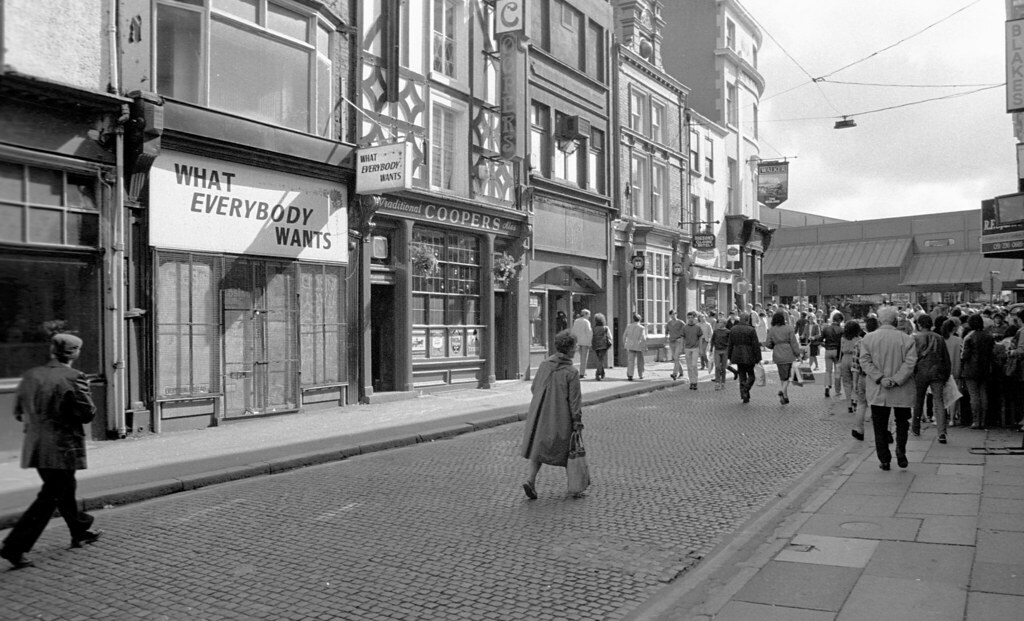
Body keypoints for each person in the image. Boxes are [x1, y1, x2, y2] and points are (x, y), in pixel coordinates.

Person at [1, 334, 102, 569]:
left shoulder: (31, 375)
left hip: (36, 446)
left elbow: (18, 413)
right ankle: (14, 547)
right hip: (62, 448)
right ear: (75, 353)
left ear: (51, 350)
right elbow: (88, 414)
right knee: (50, 497)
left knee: (64, 488)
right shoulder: (74, 377)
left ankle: (80, 530)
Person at [520, 330, 584, 500]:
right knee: (570, 450)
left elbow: (534, 388)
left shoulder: (544, 365)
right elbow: (574, 401)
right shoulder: (571, 372)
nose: (576, 349)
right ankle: (575, 486)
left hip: (541, 415)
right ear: (570, 349)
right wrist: (577, 421)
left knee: (538, 449)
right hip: (562, 416)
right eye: (575, 346)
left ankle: (530, 480)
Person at [859, 307, 918, 471]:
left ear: (879, 321)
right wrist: (897, 379)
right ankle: (901, 450)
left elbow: (864, 361)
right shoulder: (907, 339)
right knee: (902, 422)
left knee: (879, 425)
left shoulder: (868, 339)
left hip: (879, 388)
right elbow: (910, 362)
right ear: (895, 321)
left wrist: (880, 377)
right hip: (902, 388)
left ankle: (884, 459)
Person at [911, 314, 951, 441]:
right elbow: (946, 358)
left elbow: (912, 357)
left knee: (918, 401)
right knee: (939, 401)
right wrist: (946, 374)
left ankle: (915, 427)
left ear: (919, 324)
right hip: (937, 372)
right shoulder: (939, 338)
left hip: (920, 372)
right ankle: (941, 432)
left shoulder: (915, 338)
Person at [961, 314, 995, 429]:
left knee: (974, 395)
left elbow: (965, 355)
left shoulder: (969, 337)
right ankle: (983, 420)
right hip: (985, 368)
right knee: (983, 394)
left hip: (971, 369)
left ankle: (975, 421)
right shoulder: (989, 336)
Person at [851, 317, 879, 441]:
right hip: (878, 377)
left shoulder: (860, 343)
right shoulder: (881, 341)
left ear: (866, 328)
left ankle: (859, 430)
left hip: (864, 376)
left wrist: (854, 382)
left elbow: (856, 365)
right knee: (881, 405)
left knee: (861, 404)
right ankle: (885, 432)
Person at [765, 311, 801, 405]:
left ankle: (785, 397)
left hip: (777, 353)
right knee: (788, 376)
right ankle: (781, 390)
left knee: (782, 376)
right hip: (788, 353)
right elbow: (793, 343)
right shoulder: (789, 328)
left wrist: (774, 346)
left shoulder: (772, 330)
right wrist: (798, 354)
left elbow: (767, 343)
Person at [728, 312, 762, 403]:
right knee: (751, 375)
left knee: (742, 375)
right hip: (748, 353)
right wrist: (758, 358)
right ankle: (746, 388)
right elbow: (755, 345)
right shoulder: (751, 329)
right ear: (747, 319)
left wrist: (729, 356)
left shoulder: (733, 329)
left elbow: (730, 344)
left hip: (736, 353)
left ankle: (744, 396)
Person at [941, 317, 964, 427]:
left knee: (943, 395)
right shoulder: (958, 340)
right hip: (956, 369)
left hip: (943, 370)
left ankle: (943, 417)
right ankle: (952, 419)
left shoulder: (941, 340)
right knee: (954, 395)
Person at [838, 320, 863, 414]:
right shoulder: (859, 339)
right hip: (855, 359)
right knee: (856, 381)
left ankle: (849, 405)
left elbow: (841, 350)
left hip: (845, 358)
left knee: (846, 383)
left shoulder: (843, 338)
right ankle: (855, 401)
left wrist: (839, 362)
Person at [821, 312, 844, 398]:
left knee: (828, 371)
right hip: (837, 352)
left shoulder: (826, 329)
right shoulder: (841, 330)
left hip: (828, 351)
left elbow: (820, 339)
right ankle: (837, 390)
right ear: (839, 320)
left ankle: (827, 386)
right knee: (837, 371)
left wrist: (824, 344)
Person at [681, 311, 704, 390]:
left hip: (695, 348)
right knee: (689, 366)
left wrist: (701, 349)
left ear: (694, 318)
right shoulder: (684, 327)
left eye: (692, 317)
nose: (690, 319)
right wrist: (682, 347)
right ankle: (691, 382)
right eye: (689, 317)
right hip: (687, 348)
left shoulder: (697, 328)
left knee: (694, 365)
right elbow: (682, 337)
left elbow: (700, 338)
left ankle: (695, 381)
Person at [623, 312, 647, 381]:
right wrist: (644, 346)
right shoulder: (641, 328)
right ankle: (641, 375)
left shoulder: (628, 326)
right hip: (638, 345)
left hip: (630, 345)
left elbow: (624, 336)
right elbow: (643, 338)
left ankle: (630, 375)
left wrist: (625, 343)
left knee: (630, 360)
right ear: (640, 320)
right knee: (640, 361)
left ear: (633, 319)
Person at [570, 309, 593, 379]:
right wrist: (590, 343)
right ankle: (582, 373)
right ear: (585, 314)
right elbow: (589, 332)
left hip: (578, 342)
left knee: (579, 357)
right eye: (588, 314)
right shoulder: (586, 322)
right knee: (584, 358)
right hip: (585, 342)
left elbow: (573, 331)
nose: (589, 316)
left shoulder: (576, 321)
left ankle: (580, 371)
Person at [711, 317, 732, 390]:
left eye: (720, 322)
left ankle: (723, 382)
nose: (719, 323)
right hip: (717, 350)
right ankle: (717, 382)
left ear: (724, 323)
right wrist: (711, 350)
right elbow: (712, 340)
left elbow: (730, 342)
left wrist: (730, 352)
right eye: (718, 322)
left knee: (723, 367)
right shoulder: (716, 331)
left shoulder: (728, 332)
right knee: (717, 367)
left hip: (725, 350)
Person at [591, 313, 612, 381]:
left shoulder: (593, 328)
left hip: (595, 345)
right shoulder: (605, 328)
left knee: (599, 359)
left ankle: (602, 373)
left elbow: (591, 336)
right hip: (603, 345)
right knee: (601, 359)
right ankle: (598, 374)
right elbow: (610, 337)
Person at [665, 310, 685, 381]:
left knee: (676, 357)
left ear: (676, 314)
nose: (673, 316)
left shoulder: (680, 322)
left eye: (675, 314)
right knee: (675, 358)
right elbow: (666, 331)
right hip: (671, 342)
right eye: (672, 315)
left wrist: (681, 339)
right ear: (670, 315)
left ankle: (674, 374)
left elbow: (685, 331)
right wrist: (666, 338)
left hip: (678, 341)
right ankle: (681, 372)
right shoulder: (669, 323)